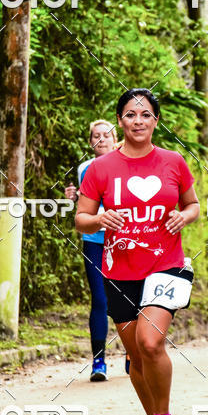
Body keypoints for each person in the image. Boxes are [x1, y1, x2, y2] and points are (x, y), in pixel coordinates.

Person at [75, 89, 200, 415]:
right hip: (120, 271)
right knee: (134, 357)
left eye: (145, 115)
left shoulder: (173, 162)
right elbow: (81, 219)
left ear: (156, 121)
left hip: (166, 267)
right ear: (120, 121)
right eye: (131, 115)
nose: (138, 121)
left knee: (150, 342)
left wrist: (184, 215)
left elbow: (192, 205)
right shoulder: (100, 169)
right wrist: (98, 218)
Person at [65, 119, 118, 381]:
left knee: (132, 300)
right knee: (100, 299)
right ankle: (99, 362)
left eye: (106, 135)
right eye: (96, 136)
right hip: (95, 241)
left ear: (115, 138)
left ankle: (134, 354)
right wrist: (74, 198)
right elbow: (89, 201)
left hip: (127, 241)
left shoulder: (129, 163)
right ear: (90, 142)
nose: (101, 139)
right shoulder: (85, 168)